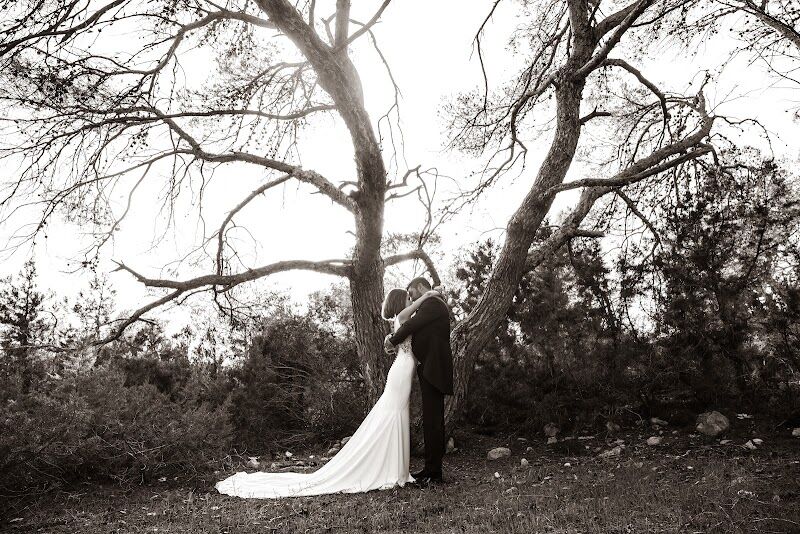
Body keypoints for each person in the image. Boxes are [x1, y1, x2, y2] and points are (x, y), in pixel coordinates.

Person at [214, 285, 444, 499]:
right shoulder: (402, 317)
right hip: (401, 373)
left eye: (411, 297)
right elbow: (413, 316)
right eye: (407, 298)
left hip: (403, 370)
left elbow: (415, 330)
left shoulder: (404, 322)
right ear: (398, 303)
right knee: (393, 413)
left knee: (397, 413)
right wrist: (429, 294)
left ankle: (395, 467)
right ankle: (390, 469)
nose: (411, 300)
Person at [385, 276, 453, 485]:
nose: (411, 296)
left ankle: (435, 473)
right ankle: (429, 469)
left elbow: (412, 325)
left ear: (421, 287)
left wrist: (392, 340)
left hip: (434, 369)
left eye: (411, 291)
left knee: (433, 422)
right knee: (430, 421)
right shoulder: (430, 303)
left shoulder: (433, 303)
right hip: (428, 368)